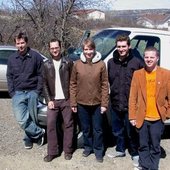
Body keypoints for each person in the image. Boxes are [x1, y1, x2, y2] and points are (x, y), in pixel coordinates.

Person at [129, 46, 170, 170]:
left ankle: (153, 167)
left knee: (155, 146)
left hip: (157, 118)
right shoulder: (137, 74)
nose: (149, 59)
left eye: (152, 57)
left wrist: (167, 113)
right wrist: (132, 116)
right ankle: (144, 166)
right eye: (146, 57)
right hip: (142, 117)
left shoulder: (166, 74)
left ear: (157, 58)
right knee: (143, 145)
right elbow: (132, 97)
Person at [70, 38, 109, 163]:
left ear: (94, 49)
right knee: (86, 128)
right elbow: (73, 84)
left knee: (98, 129)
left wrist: (104, 103)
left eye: (90, 49)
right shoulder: (77, 64)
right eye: (86, 49)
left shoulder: (101, 64)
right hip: (82, 103)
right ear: (83, 50)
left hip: (97, 104)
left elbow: (104, 84)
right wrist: (73, 102)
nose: (88, 52)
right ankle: (88, 147)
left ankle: (98, 150)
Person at [107, 34, 144, 165]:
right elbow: (110, 82)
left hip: (131, 104)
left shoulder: (137, 62)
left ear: (129, 46)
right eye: (119, 47)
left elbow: (142, 85)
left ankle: (135, 153)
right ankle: (120, 149)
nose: (121, 49)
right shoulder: (111, 63)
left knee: (132, 132)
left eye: (124, 46)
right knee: (117, 129)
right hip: (116, 102)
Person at [6, 32, 45, 149]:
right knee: (21, 119)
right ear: (15, 44)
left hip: (32, 91)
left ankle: (29, 138)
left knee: (32, 117)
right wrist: (12, 92)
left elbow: (41, 75)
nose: (20, 45)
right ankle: (39, 133)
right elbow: (9, 76)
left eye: (22, 42)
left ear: (27, 43)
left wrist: (37, 91)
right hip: (18, 93)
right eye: (18, 43)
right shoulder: (12, 59)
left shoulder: (36, 56)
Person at [43, 39, 74, 162]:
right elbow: (44, 83)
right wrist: (48, 99)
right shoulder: (46, 64)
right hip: (53, 100)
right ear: (49, 49)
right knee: (50, 124)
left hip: (67, 99)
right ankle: (52, 152)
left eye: (56, 47)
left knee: (68, 124)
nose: (54, 50)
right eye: (52, 48)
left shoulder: (68, 62)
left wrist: (72, 99)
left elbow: (73, 82)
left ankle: (68, 150)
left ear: (60, 47)